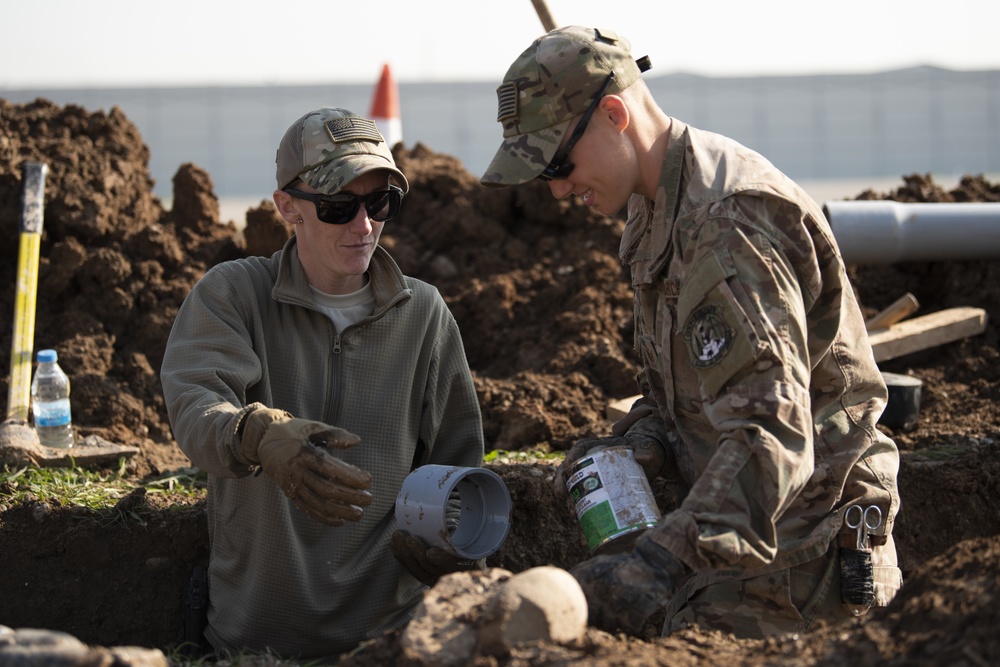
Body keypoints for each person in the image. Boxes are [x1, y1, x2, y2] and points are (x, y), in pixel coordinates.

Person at [481, 26, 902, 639]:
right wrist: (642, 444)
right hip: (743, 554)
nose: (557, 188)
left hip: (801, 573)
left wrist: (659, 562)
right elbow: (704, 386)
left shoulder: (726, 226)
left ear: (614, 113)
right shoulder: (658, 208)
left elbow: (772, 432)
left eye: (558, 162)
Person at [161, 107, 485, 661]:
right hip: (254, 644)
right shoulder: (235, 296)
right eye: (339, 207)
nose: (364, 226)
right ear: (287, 206)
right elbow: (196, 405)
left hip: (386, 645)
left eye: (379, 202)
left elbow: (456, 460)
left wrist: (455, 534)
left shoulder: (423, 314)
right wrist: (256, 432)